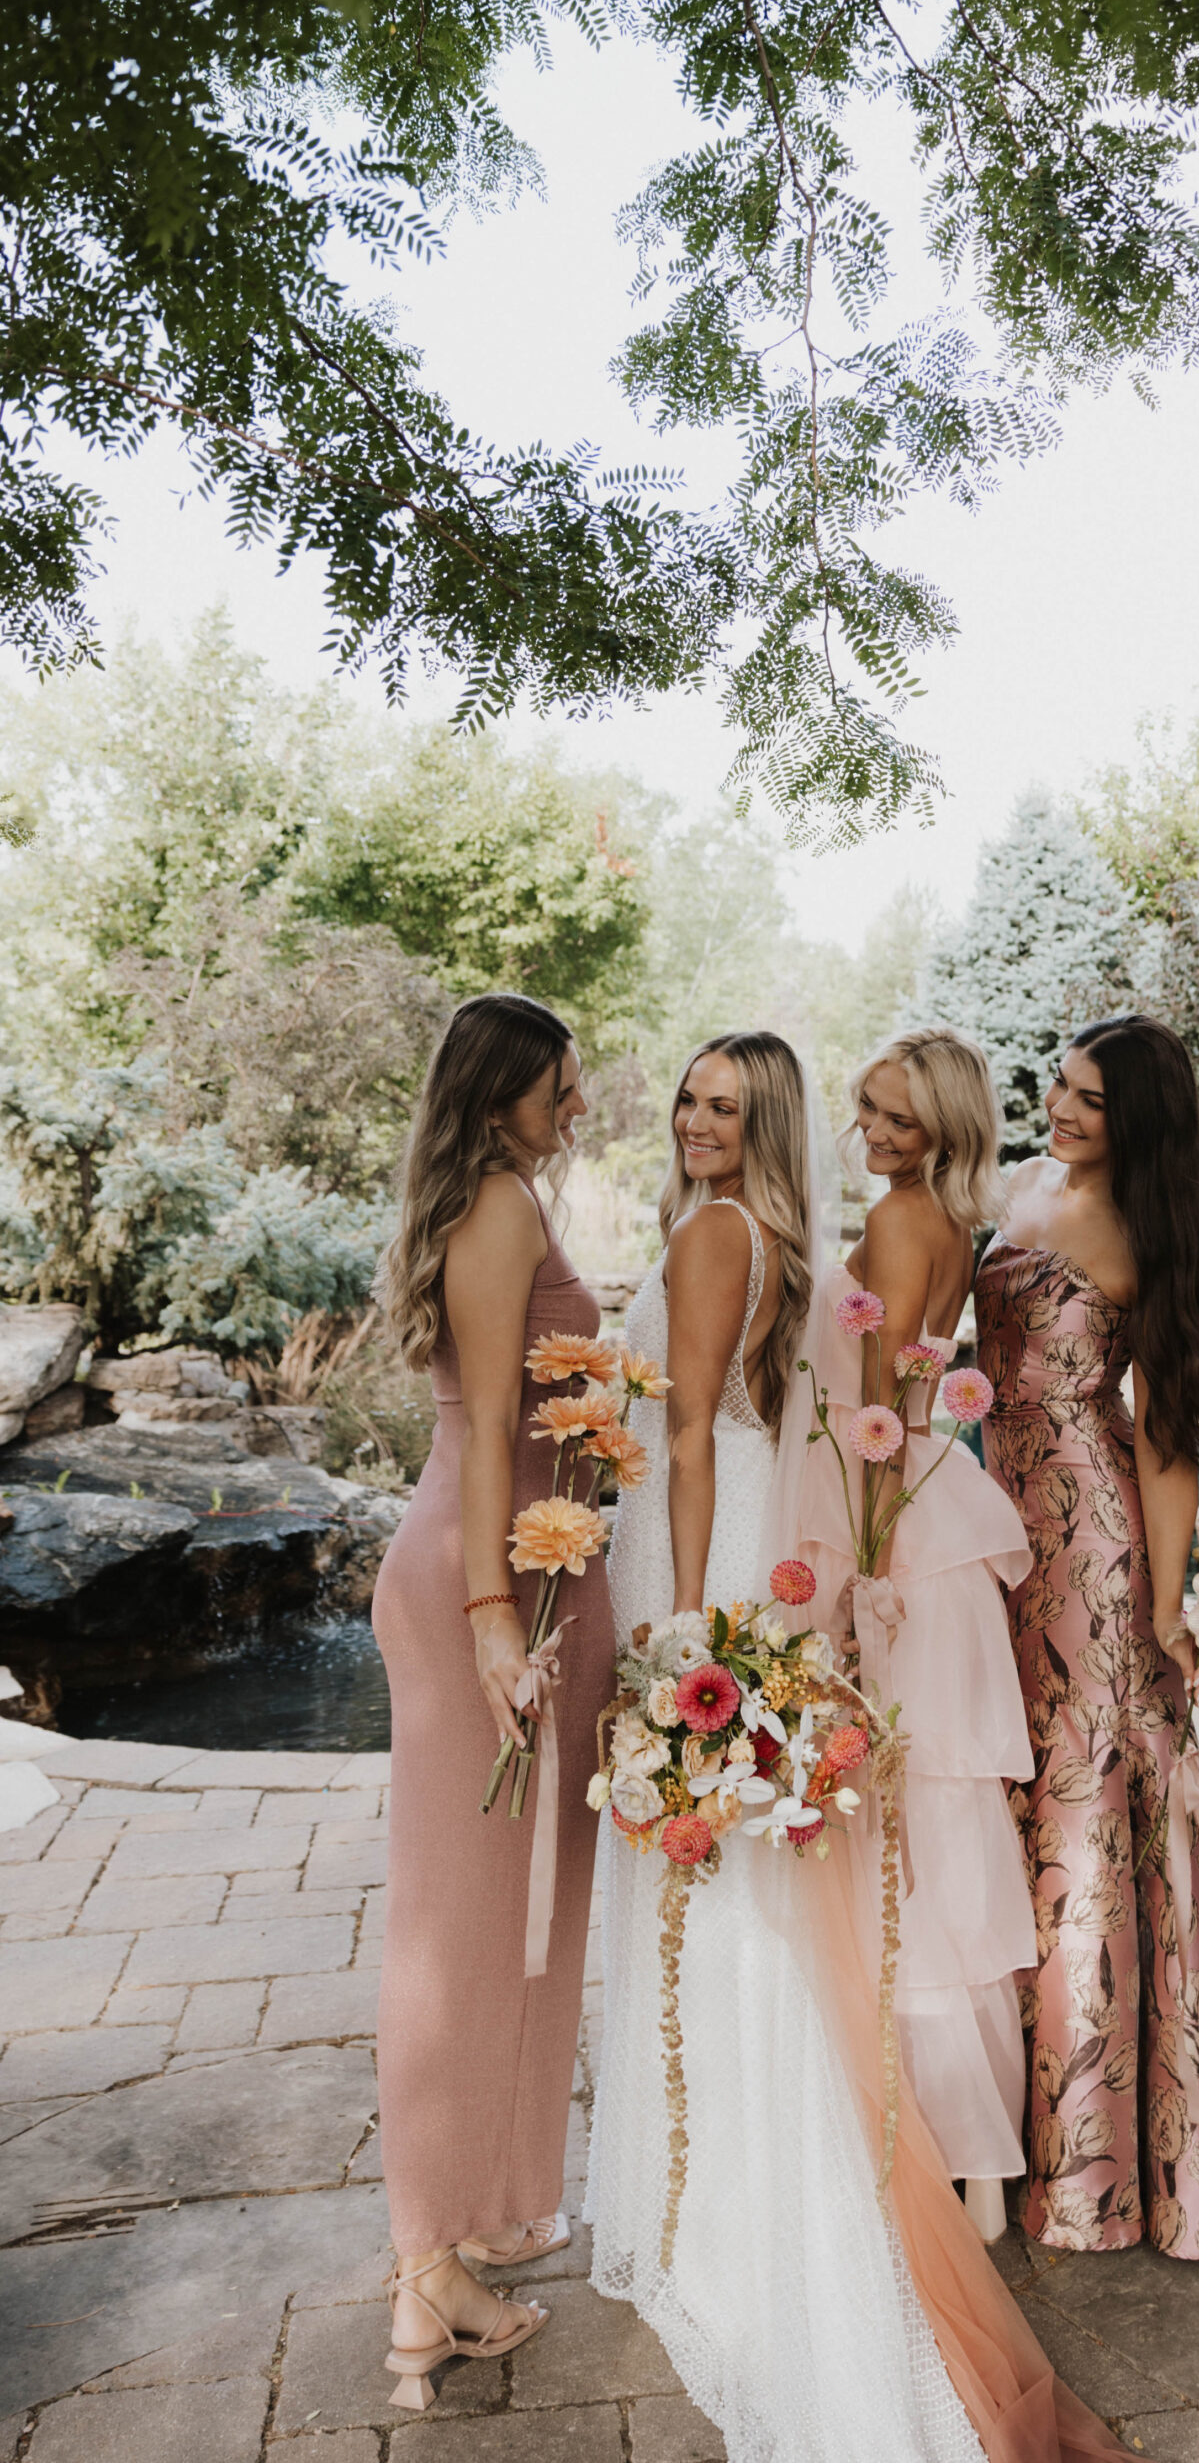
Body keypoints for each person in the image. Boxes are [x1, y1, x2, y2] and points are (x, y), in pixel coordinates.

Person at [585, 1029, 1126, 2463]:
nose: (697, 1119)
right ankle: (735, 2157)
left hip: (718, 1560)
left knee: (729, 1886)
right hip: (766, 1535)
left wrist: (686, 1626)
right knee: (763, 1877)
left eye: (724, 1103)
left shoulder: (739, 1232)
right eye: (687, 1096)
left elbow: (721, 1431)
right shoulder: (811, 1231)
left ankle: (739, 2177)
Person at [976, 1014, 1199, 2261]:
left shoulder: (1145, 1237)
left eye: (1091, 1100)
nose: (1061, 1107)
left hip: (1093, 1558)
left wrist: (1167, 1608)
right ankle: (997, 2127)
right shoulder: (1016, 1186)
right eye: (1058, 1083)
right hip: (992, 1535)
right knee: (1007, 1806)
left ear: (1141, 1124)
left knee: (1091, 1827)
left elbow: (1162, 1442)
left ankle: (1104, 2165)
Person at [372, 994, 616, 2406]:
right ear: (502, 1092)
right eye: (559, 1088)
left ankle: (449, 2257)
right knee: (451, 1943)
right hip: (491, 1592)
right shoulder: (500, 1208)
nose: (574, 1105)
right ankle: (422, 2283)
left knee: (479, 1933)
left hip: (521, 1583)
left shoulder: (497, 1196)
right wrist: (486, 1625)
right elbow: (474, 1436)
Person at [783, 1027, 1034, 2242]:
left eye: (898, 1117)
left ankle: (941, 2144)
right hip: (935, 1500)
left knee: (904, 1818)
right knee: (939, 1811)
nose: (873, 1134)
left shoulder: (895, 1221)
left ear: (942, 1124)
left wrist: (863, 1585)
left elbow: (874, 1415)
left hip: (890, 1521)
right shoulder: (949, 1217)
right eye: (866, 1111)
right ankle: (981, 2161)